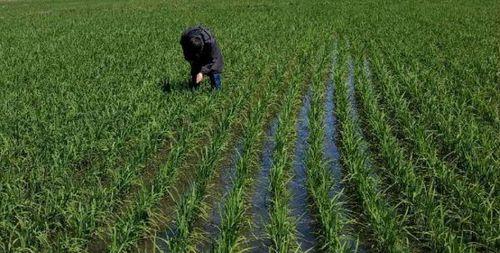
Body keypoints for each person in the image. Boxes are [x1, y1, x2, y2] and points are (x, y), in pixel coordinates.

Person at [180, 25, 223, 90]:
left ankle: (217, 91)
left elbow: (214, 60)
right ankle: (194, 88)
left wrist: (202, 72)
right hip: (192, 50)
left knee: (214, 70)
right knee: (195, 68)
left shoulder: (211, 43)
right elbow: (186, 53)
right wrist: (191, 60)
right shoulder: (186, 40)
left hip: (211, 56)